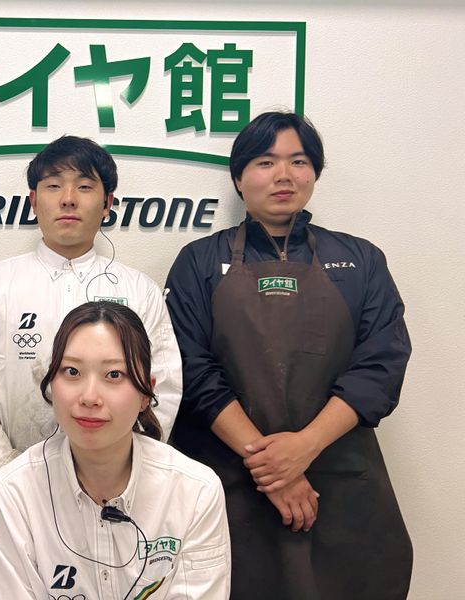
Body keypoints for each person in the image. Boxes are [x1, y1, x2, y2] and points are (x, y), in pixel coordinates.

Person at [165, 111, 412, 599]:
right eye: (265, 162)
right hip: (230, 481)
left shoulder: (361, 260)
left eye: (298, 161)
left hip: (339, 480)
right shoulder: (198, 261)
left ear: (314, 173)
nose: (284, 175)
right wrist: (272, 469)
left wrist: (304, 448)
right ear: (239, 178)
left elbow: (380, 366)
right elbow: (189, 369)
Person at [0, 135, 182, 470]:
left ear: (107, 203)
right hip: (5, 479)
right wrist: (6, 470)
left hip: (112, 478)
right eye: (54, 186)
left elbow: (163, 390)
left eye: (84, 187)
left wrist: (115, 468)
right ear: (33, 200)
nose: (68, 199)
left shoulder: (139, 291)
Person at [0, 301, 230, 599]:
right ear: (51, 383)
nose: (89, 397)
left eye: (114, 375)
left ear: (146, 393)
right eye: (72, 371)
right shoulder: (14, 491)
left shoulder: (195, 491)